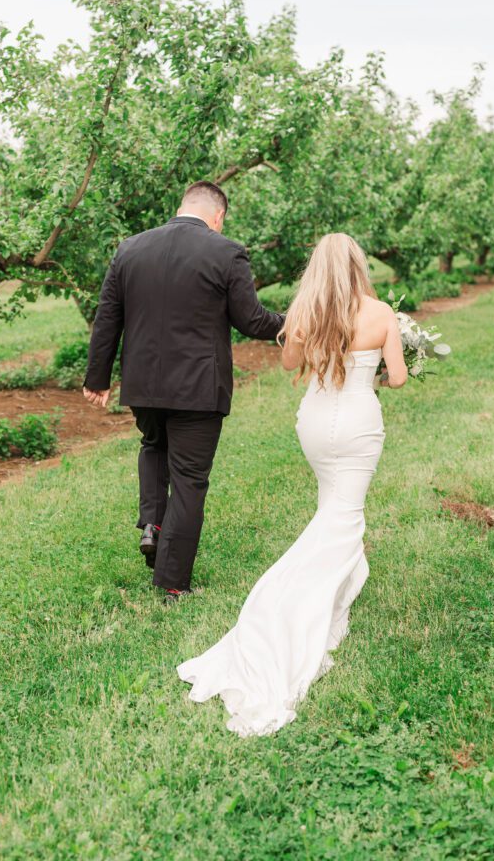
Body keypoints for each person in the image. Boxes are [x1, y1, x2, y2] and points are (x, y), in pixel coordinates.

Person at [177, 232, 408, 736]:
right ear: (358, 265)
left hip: (316, 421)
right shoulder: (381, 312)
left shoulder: (306, 313)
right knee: (344, 515)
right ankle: (288, 603)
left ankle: (338, 590)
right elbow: (398, 378)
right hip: (360, 424)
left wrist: (308, 338)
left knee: (336, 509)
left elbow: (289, 364)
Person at [83, 181, 284, 604]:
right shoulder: (227, 252)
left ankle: (153, 525)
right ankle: (172, 582)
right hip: (198, 387)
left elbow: (107, 318)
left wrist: (98, 378)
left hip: (143, 384)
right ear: (218, 216)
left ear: (183, 205)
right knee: (190, 480)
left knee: (153, 445)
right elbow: (251, 321)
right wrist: (295, 319)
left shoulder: (130, 248)